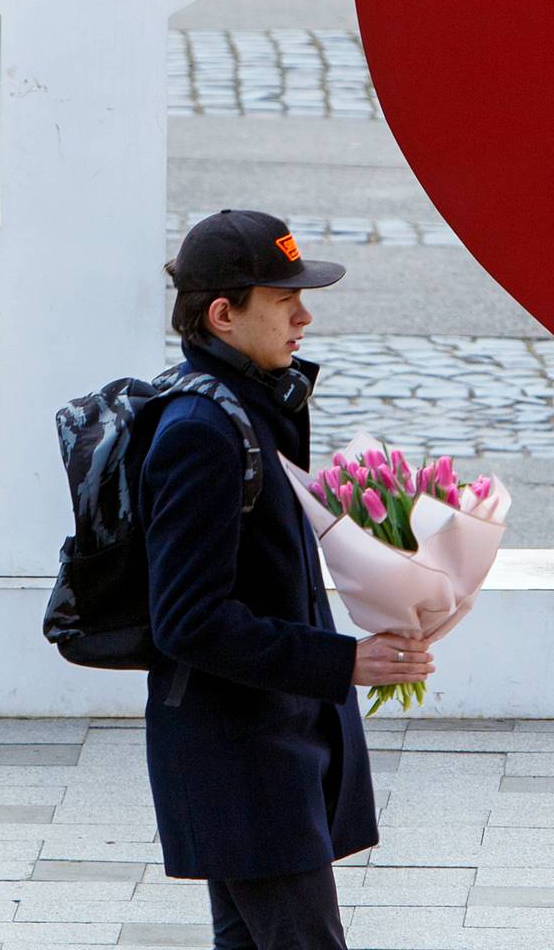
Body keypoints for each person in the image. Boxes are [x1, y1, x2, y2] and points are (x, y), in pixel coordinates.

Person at [137, 208, 435, 949]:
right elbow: (189, 620)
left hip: (265, 745)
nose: (304, 315)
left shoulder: (253, 405)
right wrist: (345, 661)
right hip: (239, 757)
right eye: (283, 300)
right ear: (223, 315)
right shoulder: (200, 435)